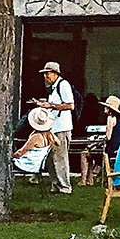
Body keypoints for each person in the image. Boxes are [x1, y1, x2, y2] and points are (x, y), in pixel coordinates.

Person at [36, 60, 78, 195]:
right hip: (53, 127)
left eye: (47, 73)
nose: (45, 77)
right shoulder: (54, 87)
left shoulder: (63, 85)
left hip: (62, 127)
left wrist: (51, 106)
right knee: (50, 158)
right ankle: (56, 184)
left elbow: (70, 105)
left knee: (60, 158)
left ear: (54, 73)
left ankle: (65, 186)